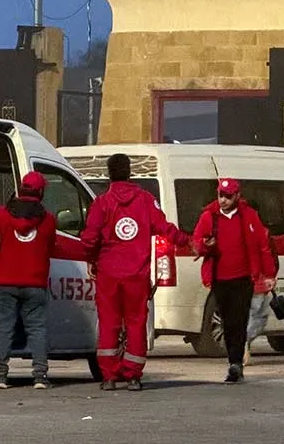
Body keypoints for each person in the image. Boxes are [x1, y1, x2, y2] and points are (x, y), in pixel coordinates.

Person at [83, 153, 190, 391]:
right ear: (129, 171)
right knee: (135, 324)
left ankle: (109, 376)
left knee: (109, 323)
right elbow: (165, 228)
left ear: (109, 173)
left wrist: (91, 259)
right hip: (136, 275)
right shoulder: (145, 200)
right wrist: (188, 241)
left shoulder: (102, 203)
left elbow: (90, 238)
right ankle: (133, 376)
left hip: (108, 274)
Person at [192, 178, 277, 384]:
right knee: (228, 322)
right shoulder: (209, 217)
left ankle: (235, 364)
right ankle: (234, 360)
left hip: (243, 279)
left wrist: (268, 275)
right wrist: (206, 246)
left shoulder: (249, 216)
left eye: (228, 196)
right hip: (219, 279)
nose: (223, 200)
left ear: (237, 196)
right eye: (221, 195)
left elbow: (262, 246)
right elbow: (196, 245)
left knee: (238, 321)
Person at [0, 171, 58, 390]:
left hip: (5, 282)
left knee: (4, 328)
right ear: (40, 192)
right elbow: (51, 248)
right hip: (35, 283)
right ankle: (40, 376)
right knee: (37, 329)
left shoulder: (2, 215)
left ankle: (0, 377)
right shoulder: (48, 219)